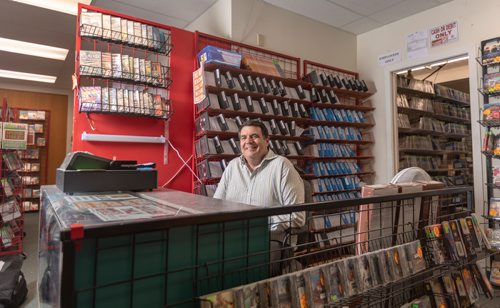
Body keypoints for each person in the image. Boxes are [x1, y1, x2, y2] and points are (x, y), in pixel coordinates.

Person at [213, 119, 305, 275]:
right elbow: (215, 207)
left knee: (251, 270)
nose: (248, 141)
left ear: (267, 141)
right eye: (243, 137)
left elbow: (297, 216)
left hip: (270, 240)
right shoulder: (232, 167)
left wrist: (256, 225)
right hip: (234, 236)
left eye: (254, 136)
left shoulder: (282, 166)